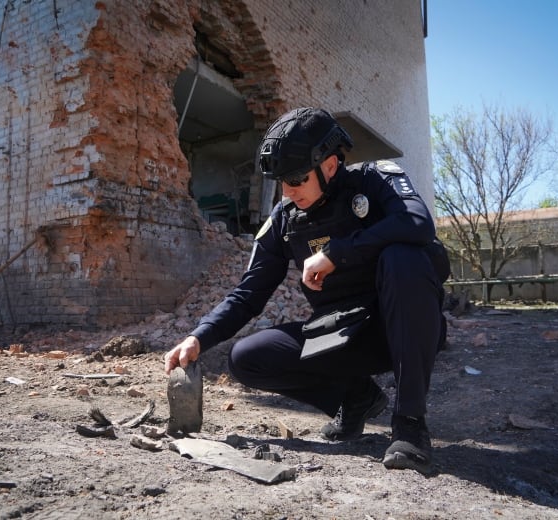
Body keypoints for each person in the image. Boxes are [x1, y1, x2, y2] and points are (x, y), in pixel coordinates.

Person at [164, 107, 449, 474]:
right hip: (343, 337)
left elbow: (418, 223)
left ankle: (410, 424)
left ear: (330, 166)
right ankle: (356, 397)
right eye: (282, 180)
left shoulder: (375, 181)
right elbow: (248, 294)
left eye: (297, 178)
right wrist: (198, 337)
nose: (288, 190)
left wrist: (336, 253)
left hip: (401, 330)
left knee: (402, 258)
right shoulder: (285, 220)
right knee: (247, 357)